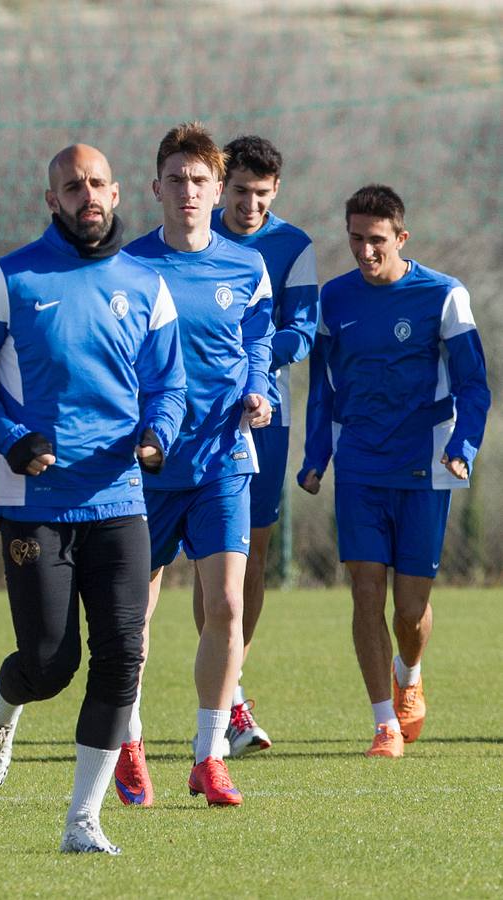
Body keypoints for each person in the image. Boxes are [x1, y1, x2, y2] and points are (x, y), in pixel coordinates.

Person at [0, 144, 186, 855]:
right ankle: (1, 704)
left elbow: (168, 386)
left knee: (123, 655)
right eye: (70, 186)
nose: (85, 195)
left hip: (119, 498)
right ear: (49, 199)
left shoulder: (146, 284)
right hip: (34, 504)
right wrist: (10, 435)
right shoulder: (9, 279)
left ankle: (82, 820)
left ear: (116, 194)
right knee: (51, 662)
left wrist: (158, 435)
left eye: (95, 184)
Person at [298, 184, 488, 758]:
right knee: (364, 594)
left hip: (424, 467)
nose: (365, 251)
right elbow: (321, 393)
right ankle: (384, 722)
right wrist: (315, 457)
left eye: (376, 240)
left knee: (410, 610)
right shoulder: (334, 301)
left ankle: (411, 672)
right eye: (355, 239)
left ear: (401, 238)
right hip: (359, 465)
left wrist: (464, 446)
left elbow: (474, 385)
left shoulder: (445, 296)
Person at [121, 123, 273, 808]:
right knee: (132, 618)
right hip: (145, 468)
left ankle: (208, 756)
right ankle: (125, 744)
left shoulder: (245, 268)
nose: (187, 191)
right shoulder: (123, 268)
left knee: (227, 605)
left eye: (199, 181)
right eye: (175, 179)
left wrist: (259, 391)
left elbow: (258, 340)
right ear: (155, 187)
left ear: (218, 192)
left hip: (221, 460)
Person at [211, 134, 319, 755]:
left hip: (261, 418)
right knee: (204, 562)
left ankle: (229, 692)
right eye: (240, 191)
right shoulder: (192, 235)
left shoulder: (292, 246)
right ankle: (210, 704)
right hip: (193, 417)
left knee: (250, 556)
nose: (249, 205)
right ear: (221, 184)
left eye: (261, 194)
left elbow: (301, 330)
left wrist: (248, 361)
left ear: (275, 190)